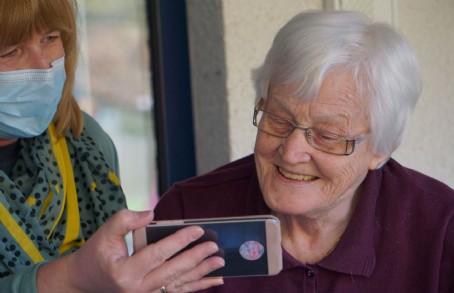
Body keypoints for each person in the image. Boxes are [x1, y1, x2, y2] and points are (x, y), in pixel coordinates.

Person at [153, 10, 454, 292]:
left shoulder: (441, 229)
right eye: (279, 119)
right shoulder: (188, 214)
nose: (291, 152)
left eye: (327, 135)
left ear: (381, 149)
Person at [0, 0, 225, 292]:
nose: (43, 65)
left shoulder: (82, 139)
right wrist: (72, 277)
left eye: (50, 38)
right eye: (10, 51)